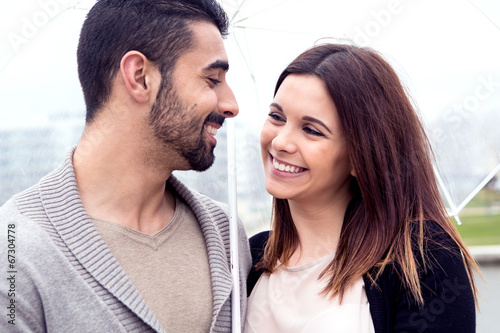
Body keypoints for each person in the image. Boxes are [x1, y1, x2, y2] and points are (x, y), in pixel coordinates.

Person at [0, 0, 251, 332]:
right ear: (140, 77)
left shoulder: (226, 234)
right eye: (212, 79)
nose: (231, 105)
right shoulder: (14, 250)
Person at [244, 43, 479, 333]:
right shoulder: (249, 257)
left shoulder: (424, 260)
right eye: (277, 117)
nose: (280, 142)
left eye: (311, 130)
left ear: (361, 156)